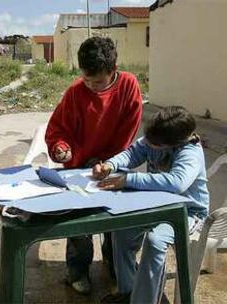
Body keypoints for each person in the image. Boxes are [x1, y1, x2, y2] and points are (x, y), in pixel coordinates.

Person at [45, 36, 143, 294]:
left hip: (113, 162)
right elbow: (57, 131)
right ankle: (77, 270)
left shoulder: (129, 86)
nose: (92, 86)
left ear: (113, 70)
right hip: (78, 169)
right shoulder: (76, 92)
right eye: (87, 79)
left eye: (98, 81)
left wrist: (109, 164)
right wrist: (61, 150)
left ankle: (115, 265)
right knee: (79, 222)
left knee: (115, 219)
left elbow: (128, 132)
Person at [93, 106, 209, 304]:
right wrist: (110, 165)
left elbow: (177, 182)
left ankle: (144, 300)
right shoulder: (155, 140)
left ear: (172, 143)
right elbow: (131, 154)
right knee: (122, 230)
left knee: (156, 241)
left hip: (187, 212)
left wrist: (129, 179)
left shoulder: (190, 153)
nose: (148, 144)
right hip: (156, 205)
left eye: (154, 143)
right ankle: (127, 291)